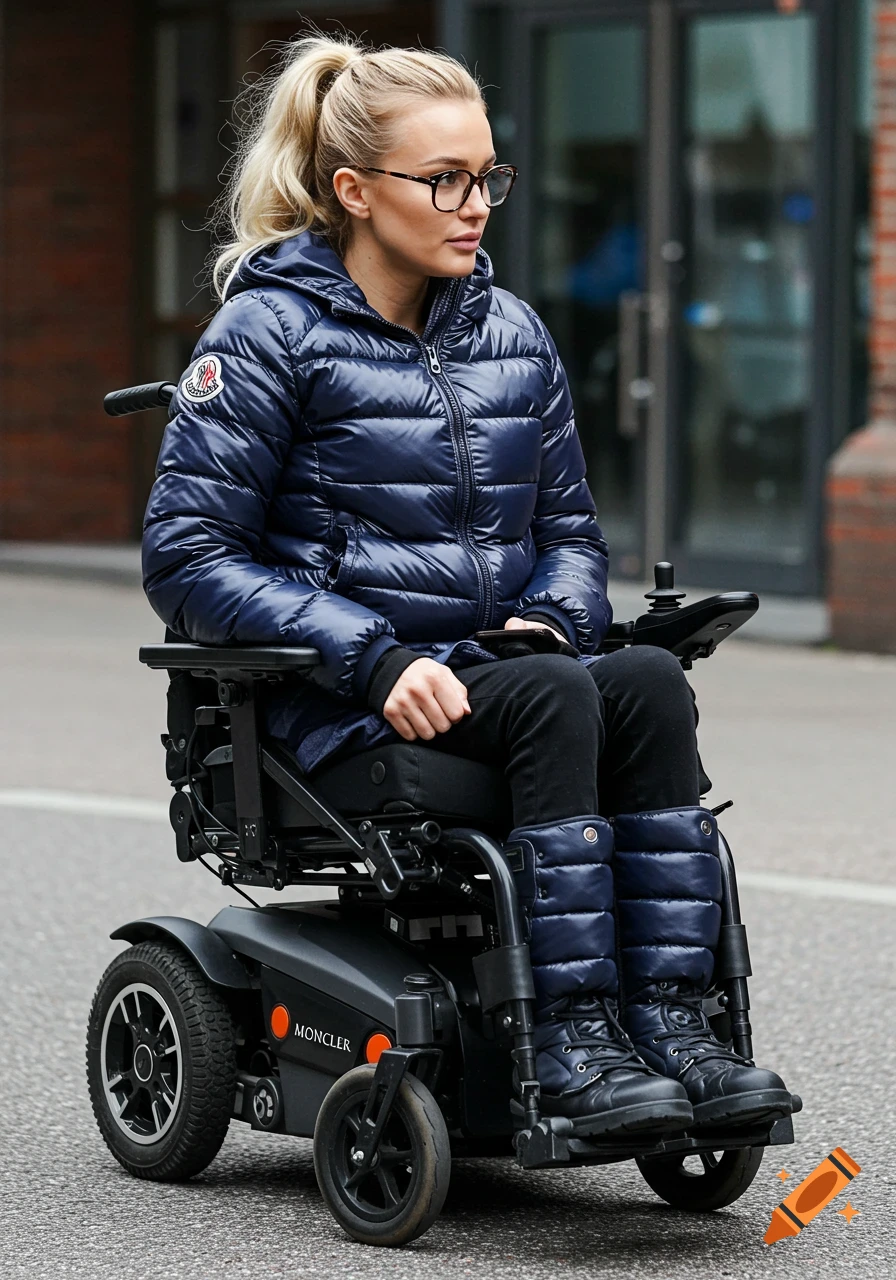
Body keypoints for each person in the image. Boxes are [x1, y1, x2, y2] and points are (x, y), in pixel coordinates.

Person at [142, 30, 791, 1138]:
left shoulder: (512, 333)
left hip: (502, 682)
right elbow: (188, 555)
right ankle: (572, 1039)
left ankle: (679, 1027)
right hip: (338, 710)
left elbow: (572, 535)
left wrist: (562, 614)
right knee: (559, 695)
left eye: (485, 174)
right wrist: (374, 656)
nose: (473, 201)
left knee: (636, 677)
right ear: (353, 190)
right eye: (442, 179)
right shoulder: (265, 334)